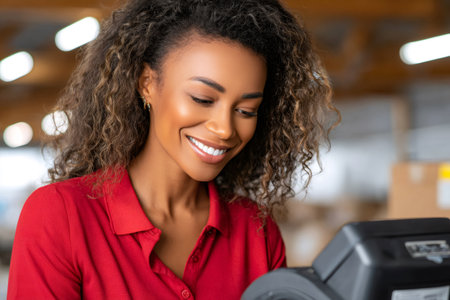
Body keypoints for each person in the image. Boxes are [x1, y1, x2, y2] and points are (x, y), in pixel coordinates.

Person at [8, 0, 338, 299]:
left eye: (246, 110)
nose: (224, 128)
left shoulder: (255, 231)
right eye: (203, 99)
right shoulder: (60, 216)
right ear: (147, 84)